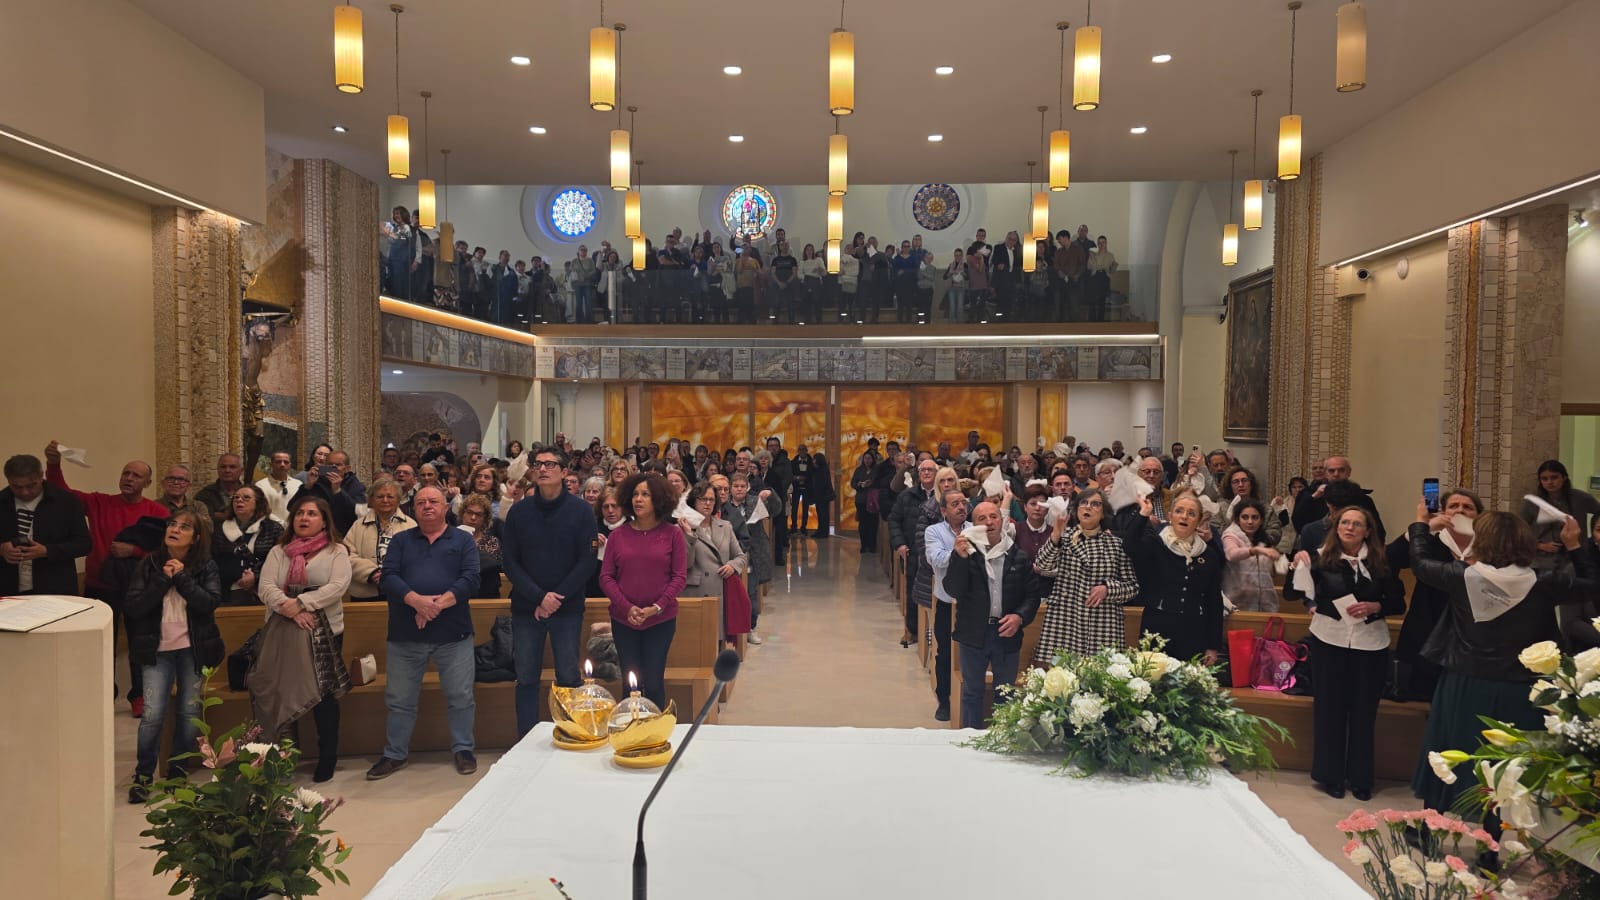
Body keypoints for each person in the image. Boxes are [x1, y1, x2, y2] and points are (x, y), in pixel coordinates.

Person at [1407, 505, 1589, 819]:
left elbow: (1421, 564)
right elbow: (1592, 583)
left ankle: (1428, 826)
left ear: (1481, 542)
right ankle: (1493, 835)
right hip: (1521, 685)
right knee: (1507, 761)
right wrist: (1574, 545)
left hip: (1464, 680)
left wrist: (1421, 525)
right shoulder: (1544, 582)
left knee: (1449, 748)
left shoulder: (1461, 577)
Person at [45, 441, 170, 716]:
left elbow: (168, 550)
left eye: (136, 475)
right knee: (100, 644)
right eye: (126, 473)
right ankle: (101, 695)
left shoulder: (157, 512)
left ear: (147, 483)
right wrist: (53, 464)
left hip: (141, 587)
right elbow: (62, 494)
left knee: (140, 644)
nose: (129, 478)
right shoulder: (100, 502)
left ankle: (140, 696)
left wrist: (134, 551)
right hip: (101, 585)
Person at [1291, 506, 1405, 801]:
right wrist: (1298, 564)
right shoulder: (1320, 558)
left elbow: (1398, 602)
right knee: (1329, 709)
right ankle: (1331, 776)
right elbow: (1295, 595)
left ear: (1367, 531)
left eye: (1357, 524)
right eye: (1345, 522)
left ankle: (1360, 777)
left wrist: (1376, 606)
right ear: (1336, 527)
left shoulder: (1381, 562)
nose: (1350, 528)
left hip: (1370, 644)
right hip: (1329, 640)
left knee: (1364, 712)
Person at [368, 486, 481, 780]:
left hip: (453, 635)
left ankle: (463, 749)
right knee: (399, 699)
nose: (427, 506)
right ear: (413, 509)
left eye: (433, 501)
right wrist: (416, 601)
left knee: (461, 696)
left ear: (446, 507)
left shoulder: (463, 540)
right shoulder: (401, 540)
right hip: (406, 635)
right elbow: (389, 577)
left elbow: (471, 579)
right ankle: (395, 753)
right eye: (420, 502)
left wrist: (434, 606)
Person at [125, 509, 223, 801]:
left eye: (184, 527)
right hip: (157, 651)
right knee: (152, 715)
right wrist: (162, 580)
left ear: (195, 538)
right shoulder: (149, 563)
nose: (175, 529)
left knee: (188, 714)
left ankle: (177, 771)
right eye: (172, 524)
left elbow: (209, 603)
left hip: (192, 649)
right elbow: (133, 607)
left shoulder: (205, 565)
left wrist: (181, 577)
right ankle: (143, 776)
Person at [500, 447, 598, 737]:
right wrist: (539, 597)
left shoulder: (581, 511)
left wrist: (555, 598)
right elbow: (510, 561)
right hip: (526, 607)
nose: (542, 469)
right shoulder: (519, 512)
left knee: (568, 675)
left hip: (566, 608)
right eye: (538, 464)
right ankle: (525, 739)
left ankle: (572, 733)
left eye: (550, 464)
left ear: (564, 472)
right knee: (526, 677)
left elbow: (587, 561)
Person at [258, 494, 352, 783]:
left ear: (324, 521)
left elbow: (338, 586)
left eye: (312, 513)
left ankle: (327, 758)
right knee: (283, 695)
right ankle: (285, 757)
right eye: (299, 513)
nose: (304, 518)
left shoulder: (336, 551)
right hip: (282, 632)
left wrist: (302, 603)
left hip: (325, 633)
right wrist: (290, 609)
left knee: (323, 699)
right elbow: (266, 586)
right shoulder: (279, 551)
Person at [943, 501, 1044, 729]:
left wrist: (1019, 617)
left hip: (1006, 633)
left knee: (1005, 693)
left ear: (1002, 520)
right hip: (973, 633)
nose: (989, 522)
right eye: (982, 518)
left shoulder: (1018, 556)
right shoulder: (966, 552)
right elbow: (953, 590)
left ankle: (1002, 739)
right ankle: (970, 738)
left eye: (993, 517)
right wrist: (959, 559)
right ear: (974, 525)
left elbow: (1032, 596)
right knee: (972, 692)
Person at [600, 473, 687, 708]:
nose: (638, 499)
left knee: (654, 681)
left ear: (658, 499)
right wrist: (627, 607)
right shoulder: (617, 535)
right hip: (624, 619)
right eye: (635, 494)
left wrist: (657, 607)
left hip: (660, 620)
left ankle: (655, 726)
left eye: (645, 494)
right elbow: (606, 577)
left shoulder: (673, 534)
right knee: (630, 682)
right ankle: (629, 726)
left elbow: (679, 576)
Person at [1387, 488, 1480, 702]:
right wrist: (1424, 527)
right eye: (1453, 506)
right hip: (1428, 633)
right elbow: (1389, 559)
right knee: (1426, 698)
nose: (1460, 510)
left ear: (1478, 516)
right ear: (1443, 512)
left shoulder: (1488, 548)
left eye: (1468, 507)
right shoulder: (1428, 542)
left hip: (1471, 638)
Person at [1033, 487, 1139, 664]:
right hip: (1066, 620)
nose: (1088, 507)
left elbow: (1132, 587)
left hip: (1102, 623)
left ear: (1103, 513)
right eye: (1084, 503)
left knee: (1099, 677)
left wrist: (1107, 589)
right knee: (1064, 677)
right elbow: (1042, 565)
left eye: (1095, 504)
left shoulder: (1116, 544)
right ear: (1076, 510)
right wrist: (1055, 535)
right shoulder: (1064, 538)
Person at [1121, 489, 1224, 663]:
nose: (1184, 516)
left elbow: (1214, 602)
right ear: (1170, 516)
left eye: (1191, 513)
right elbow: (1129, 545)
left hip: (1193, 630)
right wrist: (1143, 514)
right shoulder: (1156, 543)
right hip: (1157, 626)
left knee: (1188, 678)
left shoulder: (1208, 555)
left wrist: (1213, 646)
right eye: (1179, 511)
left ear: (1198, 520)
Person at [1, 454, 90, 597]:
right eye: (17, 487)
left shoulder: (66, 501)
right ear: (8, 480)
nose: (25, 492)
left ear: (41, 476)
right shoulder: (1, 501)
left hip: (55, 588)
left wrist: (46, 551)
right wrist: (1, 549)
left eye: (31, 485)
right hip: (8, 589)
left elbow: (84, 544)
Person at [681, 482, 749, 643]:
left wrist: (732, 566)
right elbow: (685, 564)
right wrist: (689, 536)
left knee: (717, 641)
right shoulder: (682, 527)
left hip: (720, 590)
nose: (707, 503)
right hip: (696, 592)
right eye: (703, 499)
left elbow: (741, 556)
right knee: (696, 643)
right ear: (694, 501)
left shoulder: (725, 526)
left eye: (711, 499)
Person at [924, 489, 970, 721]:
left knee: (971, 651)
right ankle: (944, 700)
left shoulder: (975, 529)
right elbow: (936, 559)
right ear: (944, 510)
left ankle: (968, 697)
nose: (961, 507)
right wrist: (957, 550)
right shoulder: (934, 531)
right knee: (945, 654)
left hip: (972, 603)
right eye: (955, 504)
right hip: (946, 602)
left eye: (963, 503)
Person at [723, 472, 781, 644]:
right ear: (731, 488)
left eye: (743, 486)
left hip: (753, 554)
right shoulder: (724, 506)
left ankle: (751, 628)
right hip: (731, 554)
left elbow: (775, 509)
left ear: (747, 487)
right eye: (736, 486)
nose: (739, 489)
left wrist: (770, 495)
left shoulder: (755, 501)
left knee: (751, 593)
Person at [890, 460, 939, 647]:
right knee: (912, 592)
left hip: (935, 553)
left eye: (930, 470)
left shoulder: (943, 496)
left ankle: (933, 633)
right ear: (918, 474)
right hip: (912, 551)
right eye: (923, 470)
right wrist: (900, 544)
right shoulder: (907, 495)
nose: (926, 473)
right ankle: (912, 630)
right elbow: (894, 520)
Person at [344, 476, 416, 603]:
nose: (385, 500)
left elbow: (416, 558)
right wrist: (372, 573)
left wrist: (392, 577)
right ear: (371, 500)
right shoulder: (358, 525)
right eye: (380, 496)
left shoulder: (410, 525)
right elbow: (346, 555)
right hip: (364, 593)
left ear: (398, 500)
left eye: (390, 497)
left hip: (401, 592)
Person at [1521, 459, 1600, 570]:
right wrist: (1539, 545)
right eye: (1544, 479)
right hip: (1541, 560)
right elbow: (1520, 530)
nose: (1549, 482)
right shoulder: (1533, 502)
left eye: (1554, 477)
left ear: (1564, 478)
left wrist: (1593, 540)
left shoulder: (1581, 498)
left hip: (1575, 559)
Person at [212, 484, 282, 605]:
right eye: (236, 497)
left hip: (265, 590)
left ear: (258, 503)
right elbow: (213, 561)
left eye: (246, 498)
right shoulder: (220, 530)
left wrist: (256, 576)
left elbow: (280, 561)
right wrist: (237, 575)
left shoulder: (273, 529)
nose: (239, 500)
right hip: (228, 591)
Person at [1222, 498, 1281, 613]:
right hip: (1236, 602)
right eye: (1245, 517)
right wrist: (1255, 550)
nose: (1250, 522)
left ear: (1261, 520)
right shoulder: (1230, 535)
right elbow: (1231, 554)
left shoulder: (1262, 537)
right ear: (1237, 519)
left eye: (1255, 517)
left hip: (1263, 601)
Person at [458, 495, 504, 599]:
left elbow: (489, 569)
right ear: (462, 514)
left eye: (478, 515)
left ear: (485, 519)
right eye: (469, 512)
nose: (473, 518)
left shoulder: (491, 541)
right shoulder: (450, 538)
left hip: (482, 591)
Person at [193, 453, 247, 526]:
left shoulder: (250, 493)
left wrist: (219, 515)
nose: (227, 470)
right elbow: (202, 519)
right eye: (223, 467)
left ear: (241, 471)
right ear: (218, 470)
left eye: (232, 467)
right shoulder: (205, 495)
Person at [256, 451, 303, 523]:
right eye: (278, 462)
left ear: (290, 465)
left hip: (294, 526)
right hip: (270, 526)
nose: (282, 465)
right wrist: (281, 523)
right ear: (271, 464)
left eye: (286, 462)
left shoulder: (298, 484)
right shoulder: (260, 485)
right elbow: (261, 510)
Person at [850, 452, 879, 553]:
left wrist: (871, 483)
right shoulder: (859, 470)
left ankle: (872, 545)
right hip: (861, 500)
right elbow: (852, 483)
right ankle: (863, 545)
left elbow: (880, 482)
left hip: (873, 500)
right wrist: (859, 484)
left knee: (873, 523)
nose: (867, 460)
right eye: (865, 458)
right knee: (863, 523)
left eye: (869, 458)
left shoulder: (877, 470)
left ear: (873, 459)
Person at [808, 452, 835, 536]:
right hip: (820, 496)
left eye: (814, 459)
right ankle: (821, 530)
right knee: (821, 514)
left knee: (823, 514)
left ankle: (823, 531)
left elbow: (822, 484)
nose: (813, 461)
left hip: (823, 496)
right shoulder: (818, 470)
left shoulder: (822, 471)